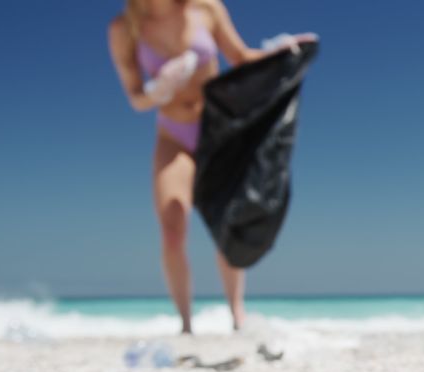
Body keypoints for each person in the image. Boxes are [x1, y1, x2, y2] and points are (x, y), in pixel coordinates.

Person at [108, 0, 313, 333]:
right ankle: (186, 325)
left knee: (229, 223)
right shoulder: (123, 28)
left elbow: (241, 58)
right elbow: (135, 98)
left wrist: (282, 52)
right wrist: (156, 90)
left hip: (217, 133)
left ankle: (237, 315)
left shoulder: (205, 8)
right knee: (172, 228)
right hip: (173, 135)